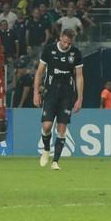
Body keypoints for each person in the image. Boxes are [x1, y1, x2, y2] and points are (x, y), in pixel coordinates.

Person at [33, 29, 84, 171]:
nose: (66, 45)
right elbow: (39, 72)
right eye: (64, 41)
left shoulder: (75, 53)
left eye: (69, 43)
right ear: (60, 37)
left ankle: (55, 162)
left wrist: (80, 98)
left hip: (67, 95)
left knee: (62, 129)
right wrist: (36, 93)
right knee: (47, 126)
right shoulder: (49, 50)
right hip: (50, 93)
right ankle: (46, 149)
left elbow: (79, 76)